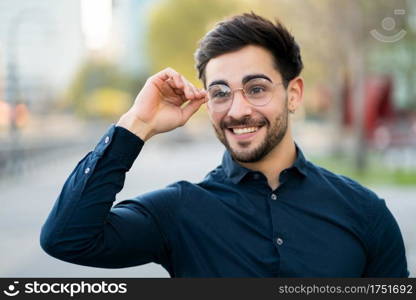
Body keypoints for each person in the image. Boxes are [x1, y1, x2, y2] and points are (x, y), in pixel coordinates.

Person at [40, 13, 409, 277]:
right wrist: (137, 124)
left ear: (293, 94)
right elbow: (67, 239)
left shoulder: (364, 212)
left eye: (257, 88)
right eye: (220, 93)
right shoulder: (178, 211)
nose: (238, 110)